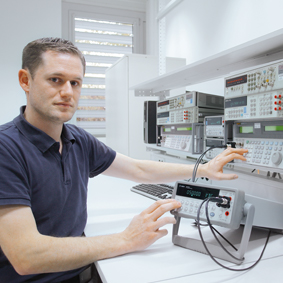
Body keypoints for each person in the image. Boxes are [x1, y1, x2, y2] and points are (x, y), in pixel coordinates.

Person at [0, 37, 248, 283]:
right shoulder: (6, 148)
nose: (67, 92)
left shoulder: (77, 139)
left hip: (79, 270)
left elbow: (138, 169)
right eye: (55, 80)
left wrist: (203, 168)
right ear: (26, 81)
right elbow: (26, 256)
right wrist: (126, 239)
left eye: (75, 83)